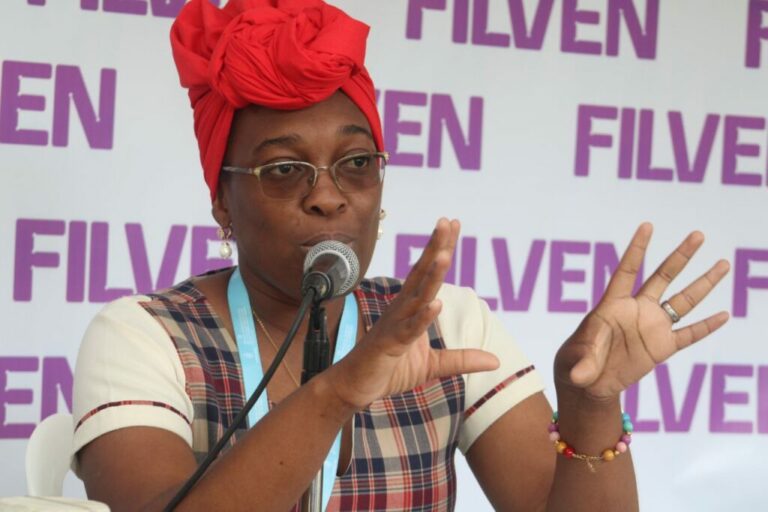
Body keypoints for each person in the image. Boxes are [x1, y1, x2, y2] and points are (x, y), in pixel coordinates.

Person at [70, 0, 731, 510]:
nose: (327, 196)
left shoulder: (446, 321)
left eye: (356, 163)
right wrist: (338, 392)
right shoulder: (144, 335)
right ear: (222, 202)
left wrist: (590, 407)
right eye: (284, 170)